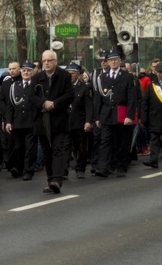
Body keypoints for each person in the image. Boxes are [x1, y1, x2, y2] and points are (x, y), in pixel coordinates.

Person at [27, 50, 74, 193]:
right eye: (44, 61)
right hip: (42, 121)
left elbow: (70, 95)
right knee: (47, 152)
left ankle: (57, 180)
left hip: (59, 120)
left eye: (49, 60)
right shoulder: (37, 78)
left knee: (58, 150)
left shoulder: (64, 76)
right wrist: (43, 103)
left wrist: (54, 103)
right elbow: (31, 96)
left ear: (56, 61)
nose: (46, 63)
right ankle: (50, 180)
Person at [94, 50, 138, 178]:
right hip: (106, 114)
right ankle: (104, 168)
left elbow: (132, 98)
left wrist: (130, 116)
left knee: (122, 142)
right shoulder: (102, 78)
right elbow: (98, 98)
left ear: (119, 61)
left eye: (116, 59)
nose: (113, 62)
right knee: (105, 141)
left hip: (121, 114)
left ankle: (121, 166)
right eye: (111, 60)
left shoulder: (127, 76)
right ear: (107, 62)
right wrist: (97, 117)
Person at [4, 62, 37, 180]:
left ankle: (29, 171)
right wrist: (8, 121)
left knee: (30, 148)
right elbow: (10, 105)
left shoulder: (36, 85)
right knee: (19, 147)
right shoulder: (15, 86)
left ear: (33, 72)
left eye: (28, 71)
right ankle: (19, 168)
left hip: (32, 121)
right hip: (18, 122)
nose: (26, 73)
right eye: (24, 71)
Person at [66, 64, 93, 179]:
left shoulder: (84, 87)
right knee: (65, 148)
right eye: (68, 73)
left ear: (78, 74)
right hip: (65, 122)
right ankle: (62, 171)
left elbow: (88, 106)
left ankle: (80, 168)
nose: (70, 76)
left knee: (81, 148)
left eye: (72, 73)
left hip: (79, 121)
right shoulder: (62, 87)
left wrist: (88, 121)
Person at [0, 61, 22, 173]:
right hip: (8, 117)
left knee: (19, 143)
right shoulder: (6, 83)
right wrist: (5, 115)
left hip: (20, 116)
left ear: (20, 69)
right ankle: (12, 165)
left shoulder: (23, 81)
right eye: (10, 69)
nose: (12, 71)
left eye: (14, 68)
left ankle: (19, 165)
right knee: (11, 142)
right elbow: (1, 100)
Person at [140, 62, 162, 170]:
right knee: (154, 139)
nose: (160, 74)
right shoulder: (152, 85)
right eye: (159, 72)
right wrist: (143, 117)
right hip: (155, 117)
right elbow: (145, 102)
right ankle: (153, 161)